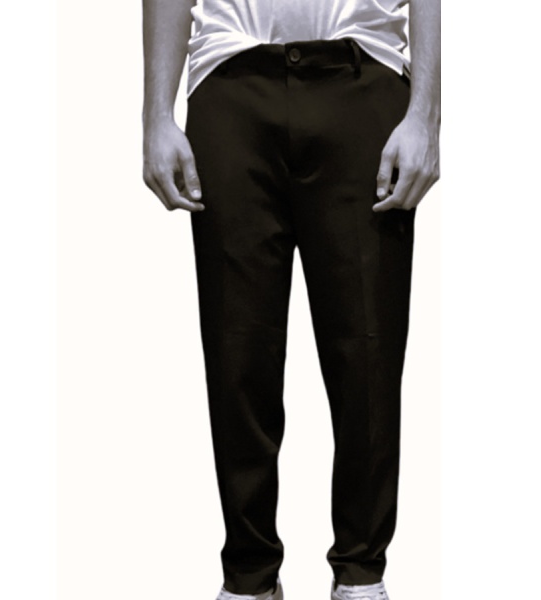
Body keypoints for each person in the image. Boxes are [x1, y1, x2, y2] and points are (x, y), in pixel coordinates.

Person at [142, 0, 440, 598]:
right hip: (230, 78)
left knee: (368, 346)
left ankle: (361, 573)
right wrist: (156, 115)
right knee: (237, 346)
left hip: (364, 75)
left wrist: (426, 115)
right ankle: (249, 574)